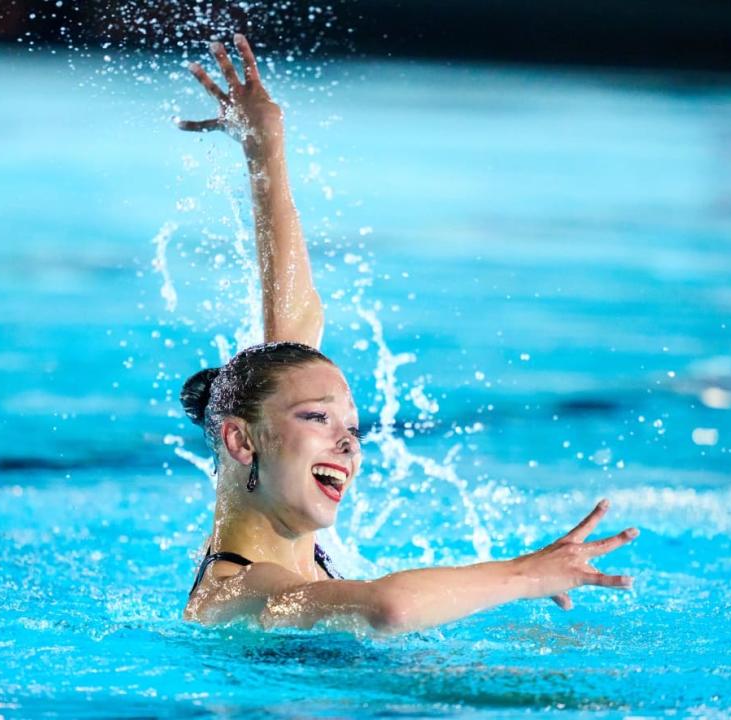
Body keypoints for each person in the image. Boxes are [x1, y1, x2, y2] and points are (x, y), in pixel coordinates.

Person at [176, 33, 639, 634]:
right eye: (318, 419)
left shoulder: (291, 542)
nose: (348, 445)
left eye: (351, 427)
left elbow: (292, 325)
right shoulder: (235, 593)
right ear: (242, 443)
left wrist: (265, 147)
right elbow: (384, 609)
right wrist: (529, 573)